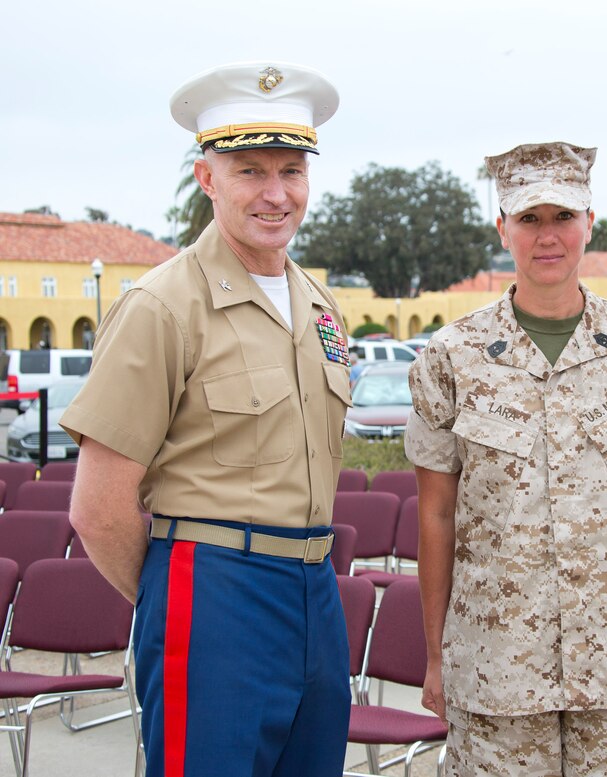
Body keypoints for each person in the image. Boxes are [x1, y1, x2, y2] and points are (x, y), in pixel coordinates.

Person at [61, 61, 353, 777]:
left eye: (292, 170)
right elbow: (98, 508)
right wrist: (181, 604)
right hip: (216, 589)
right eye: (250, 170)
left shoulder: (321, 307)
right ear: (206, 179)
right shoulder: (163, 306)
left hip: (318, 591)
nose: (276, 193)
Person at [404, 141, 607, 776]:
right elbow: (437, 516)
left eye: (563, 217)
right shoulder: (452, 358)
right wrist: (436, 655)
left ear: (591, 222)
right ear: (501, 227)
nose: (547, 236)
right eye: (528, 219)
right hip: (496, 666)